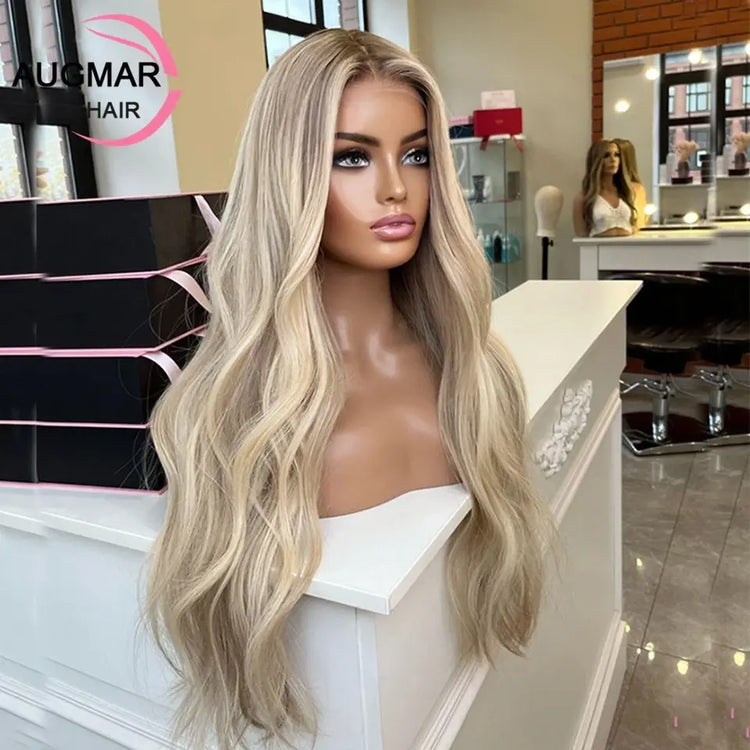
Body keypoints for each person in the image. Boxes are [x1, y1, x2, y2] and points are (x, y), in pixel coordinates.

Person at [145, 29, 551, 750]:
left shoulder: (476, 373)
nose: (396, 187)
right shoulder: (234, 413)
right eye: (352, 157)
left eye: (416, 155)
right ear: (290, 178)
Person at [573, 139, 642, 237]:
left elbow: (637, 226)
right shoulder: (583, 197)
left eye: (617, 155)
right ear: (596, 160)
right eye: (606, 155)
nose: (613, 159)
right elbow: (581, 235)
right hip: (599, 245)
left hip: (627, 244)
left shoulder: (627, 192)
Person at [613, 137, 648, 223]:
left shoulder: (636, 189)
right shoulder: (601, 188)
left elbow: (639, 221)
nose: (612, 159)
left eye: (616, 155)